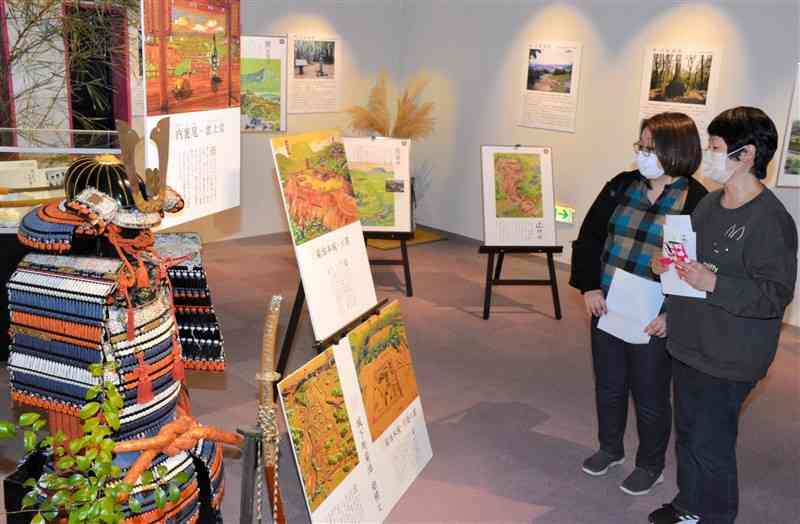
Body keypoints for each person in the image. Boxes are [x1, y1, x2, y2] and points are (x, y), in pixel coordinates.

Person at [648, 107, 798, 524]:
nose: (707, 156)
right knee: (690, 434)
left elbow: (773, 297)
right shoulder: (710, 204)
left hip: (731, 354)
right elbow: (692, 265)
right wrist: (671, 269)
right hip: (691, 341)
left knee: (712, 443)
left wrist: (712, 282)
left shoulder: (772, 222)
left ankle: (715, 515)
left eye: (715, 148)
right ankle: (689, 504)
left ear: (746, 155)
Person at [570, 112, 708, 496]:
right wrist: (588, 287)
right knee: (609, 385)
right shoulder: (621, 185)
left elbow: (698, 268)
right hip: (609, 303)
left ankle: (651, 465)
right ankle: (610, 448)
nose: (643, 154)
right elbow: (590, 237)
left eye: (651, 147)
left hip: (654, 315)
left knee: (649, 394)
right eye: (641, 146)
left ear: (675, 151)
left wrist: (673, 314)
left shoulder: (697, 201)